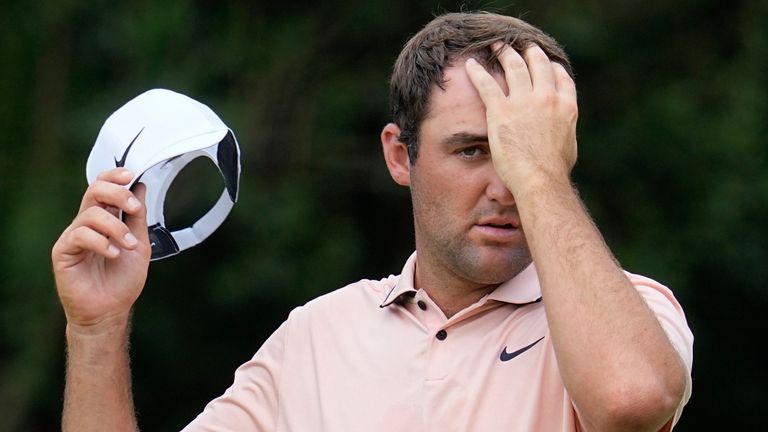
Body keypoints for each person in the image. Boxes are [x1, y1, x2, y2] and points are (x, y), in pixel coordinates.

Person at [52, 11, 693, 432]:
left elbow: (628, 400)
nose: (507, 185)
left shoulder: (630, 311)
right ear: (398, 154)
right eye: (474, 149)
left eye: (525, 151)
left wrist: (543, 176)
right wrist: (96, 331)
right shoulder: (315, 338)